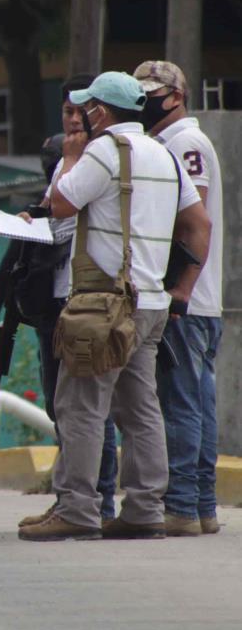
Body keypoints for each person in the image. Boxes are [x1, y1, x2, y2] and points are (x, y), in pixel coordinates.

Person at [19, 71, 211, 541]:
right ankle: (146, 509)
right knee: (140, 407)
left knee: (80, 405)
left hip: (102, 302)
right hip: (149, 302)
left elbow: (61, 204)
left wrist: (69, 157)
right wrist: (182, 289)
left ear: (100, 112)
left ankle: (78, 509)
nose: (81, 115)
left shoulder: (103, 151)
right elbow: (198, 223)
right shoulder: (163, 155)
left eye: (86, 107)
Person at [14, 74, 120, 528]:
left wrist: (43, 216)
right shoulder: (65, 163)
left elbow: (64, 224)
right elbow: (52, 212)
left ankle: (100, 500)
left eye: (82, 113)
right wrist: (29, 217)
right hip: (55, 296)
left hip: (89, 298)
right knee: (63, 406)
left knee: (93, 411)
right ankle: (69, 498)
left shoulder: (94, 161)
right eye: (67, 113)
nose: (73, 121)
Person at [134, 60, 224, 537]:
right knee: (197, 404)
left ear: (175, 96)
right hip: (197, 298)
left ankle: (184, 505)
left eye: (151, 94)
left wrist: (180, 290)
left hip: (187, 298)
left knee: (182, 404)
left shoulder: (183, 144)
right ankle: (202, 505)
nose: (144, 102)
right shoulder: (173, 143)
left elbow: (194, 218)